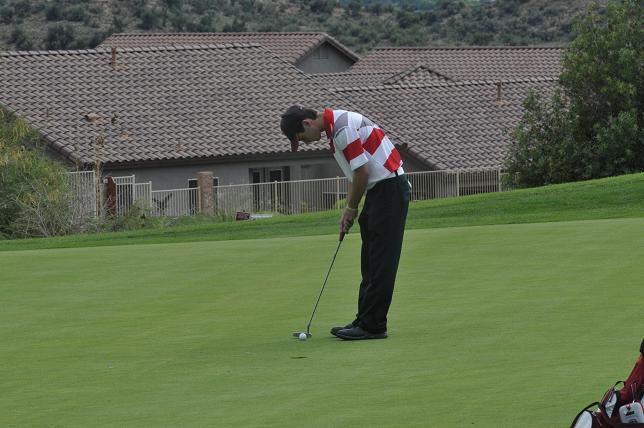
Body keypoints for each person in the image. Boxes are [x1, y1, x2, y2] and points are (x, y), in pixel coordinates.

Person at [280, 105, 411, 340]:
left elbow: (361, 173)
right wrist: (350, 209)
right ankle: (364, 319)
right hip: (380, 191)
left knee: (380, 261)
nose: (307, 143)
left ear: (307, 123)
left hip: (389, 190)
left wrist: (350, 208)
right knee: (370, 260)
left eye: (302, 137)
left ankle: (373, 325)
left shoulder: (341, 129)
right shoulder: (336, 126)